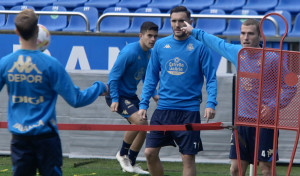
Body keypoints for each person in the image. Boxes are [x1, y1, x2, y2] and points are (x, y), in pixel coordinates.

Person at [181, 19, 296, 176]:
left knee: (266, 169)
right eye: (243, 33)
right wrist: (194, 31)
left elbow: (291, 86)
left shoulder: (273, 58)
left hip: (265, 123)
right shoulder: (237, 52)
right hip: (242, 121)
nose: (246, 37)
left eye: (250, 33)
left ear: (260, 36)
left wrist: (272, 106)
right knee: (236, 169)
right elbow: (216, 43)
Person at [0, 9, 108, 176]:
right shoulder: (51, 64)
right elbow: (76, 99)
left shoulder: (6, 63)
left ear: (16, 31)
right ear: (37, 30)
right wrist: (100, 87)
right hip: (46, 138)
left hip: (19, 139)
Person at [138, 6, 218, 176]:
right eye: (174, 21)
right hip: (163, 110)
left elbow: (211, 78)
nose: (177, 24)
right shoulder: (160, 45)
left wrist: (211, 103)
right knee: (149, 153)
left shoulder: (200, 47)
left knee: (187, 159)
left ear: (190, 22)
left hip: (189, 111)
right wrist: (143, 104)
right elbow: (151, 78)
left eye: (181, 21)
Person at [105, 21, 159, 174]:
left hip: (130, 95)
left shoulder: (149, 53)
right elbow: (113, 77)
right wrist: (114, 99)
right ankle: (122, 154)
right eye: (149, 36)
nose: (153, 39)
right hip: (117, 95)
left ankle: (131, 163)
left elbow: (147, 77)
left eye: (155, 36)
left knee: (143, 127)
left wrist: (154, 94)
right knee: (140, 121)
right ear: (140, 35)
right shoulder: (129, 52)